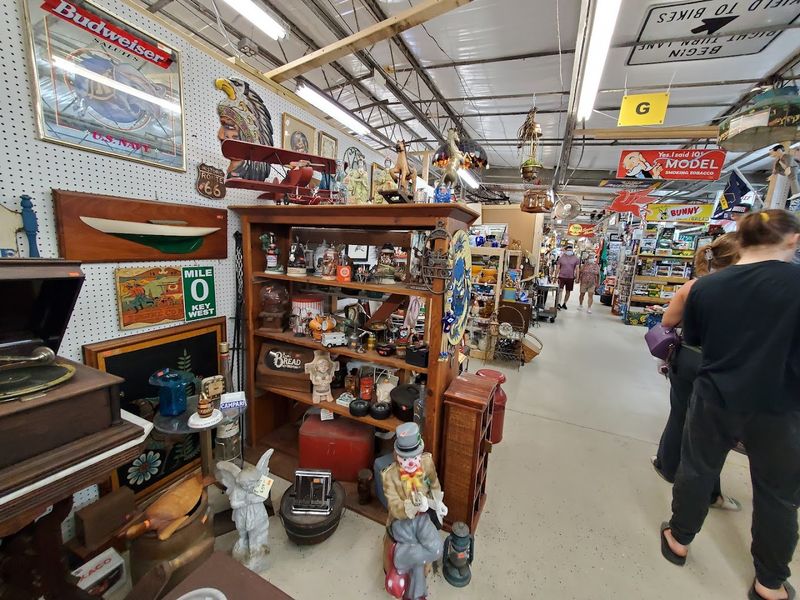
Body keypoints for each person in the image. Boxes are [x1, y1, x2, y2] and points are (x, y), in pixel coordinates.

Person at [660, 210, 800, 600]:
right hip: (781, 404)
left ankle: (679, 539)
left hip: (715, 394)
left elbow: (696, 338)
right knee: (777, 494)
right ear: (792, 239)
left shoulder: (707, 287)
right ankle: (770, 582)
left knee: (698, 468)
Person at [652, 235, 741, 512]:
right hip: (721, 362)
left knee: (679, 413)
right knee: (712, 430)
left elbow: (668, 321)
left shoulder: (693, 286)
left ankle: (666, 465)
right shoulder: (746, 289)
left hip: (687, 357)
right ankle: (709, 493)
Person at [555, 244, 579, 309]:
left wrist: (577, 277)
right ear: (565, 251)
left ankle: (565, 303)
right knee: (560, 290)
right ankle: (558, 303)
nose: (569, 252)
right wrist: (555, 276)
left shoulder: (576, 259)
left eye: (571, 250)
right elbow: (557, 268)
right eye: (568, 250)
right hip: (561, 276)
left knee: (568, 291)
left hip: (570, 277)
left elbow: (577, 269)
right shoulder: (561, 258)